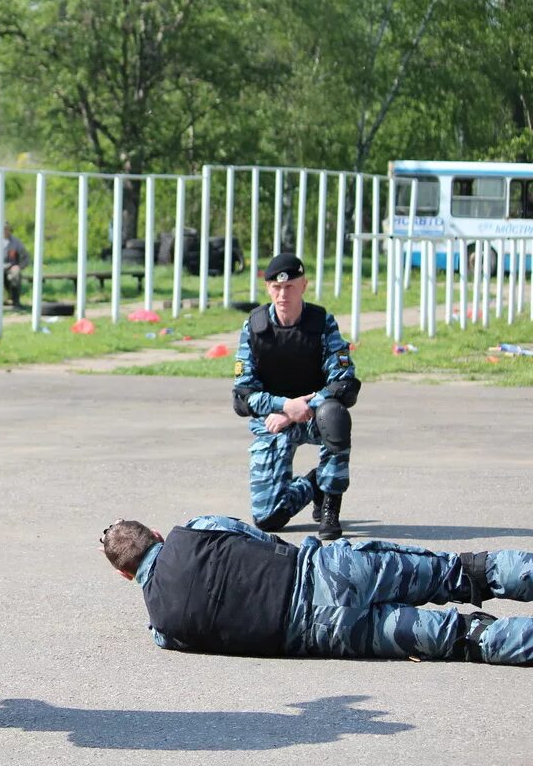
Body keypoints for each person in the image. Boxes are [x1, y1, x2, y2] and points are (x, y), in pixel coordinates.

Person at [100, 515, 533, 666]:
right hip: (330, 570)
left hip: (323, 632)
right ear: (155, 533)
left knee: (464, 639)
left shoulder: (163, 626)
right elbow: (259, 539)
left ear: (126, 576)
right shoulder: (191, 530)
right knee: (462, 572)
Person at [232, 253, 359, 540]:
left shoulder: (322, 323)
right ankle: (314, 485)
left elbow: (345, 384)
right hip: (273, 420)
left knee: (335, 415)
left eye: (290, 287)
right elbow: (242, 397)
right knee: (268, 519)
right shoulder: (255, 326)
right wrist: (284, 407)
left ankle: (330, 505)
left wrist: (302, 407)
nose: (282, 294)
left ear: (304, 285)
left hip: (314, 416)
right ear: (268, 289)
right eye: (276, 288)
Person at [0, 223, 31, 309]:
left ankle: (15, 301)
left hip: (10, 267)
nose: (4, 231)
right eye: (2, 229)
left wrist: (19, 266)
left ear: (10, 230)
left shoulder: (16, 242)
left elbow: (26, 257)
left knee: (16, 274)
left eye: (6, 229)